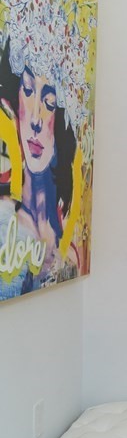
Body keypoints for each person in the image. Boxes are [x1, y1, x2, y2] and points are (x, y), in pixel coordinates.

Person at [0, 41, 79, 294]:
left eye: (50, 102)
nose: (35, 120)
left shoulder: (69, 254)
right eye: (27, 89)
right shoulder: (5, 219)